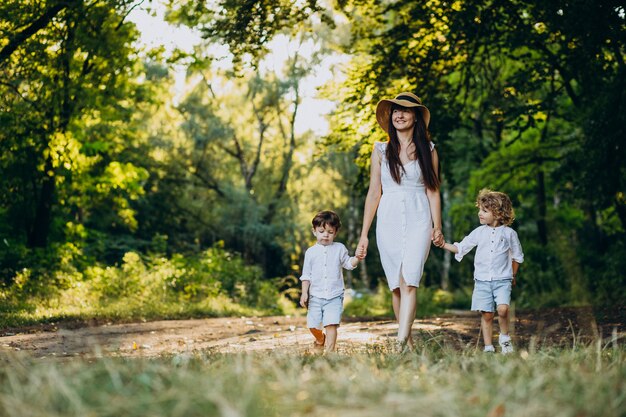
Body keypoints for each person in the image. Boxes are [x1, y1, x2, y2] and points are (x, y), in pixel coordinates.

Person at [356, 92, 444, 350]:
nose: (399, 114)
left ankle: (398, 344)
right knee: (396, 285)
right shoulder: (380, 150)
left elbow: (433, 191)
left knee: (410, 278)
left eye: (406, 110)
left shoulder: (429, 150)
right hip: (389, 217)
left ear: (416, 116)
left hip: (419, 216)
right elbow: (374, 193)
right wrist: (364, 234)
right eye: (396, 110)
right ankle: (409, 345)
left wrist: (437, 227)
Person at [437, 189, 524, 354]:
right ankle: (489, 347)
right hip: (482, 281)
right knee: (487, 315)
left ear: (498, 214)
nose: (479, 213)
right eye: (480, 209)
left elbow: (517, 257)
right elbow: (461, 247)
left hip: (502, 280)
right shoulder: (478, 232)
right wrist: (443, 245)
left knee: (503, 309)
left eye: (484, 210)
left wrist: (513, 275)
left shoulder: (509, 234)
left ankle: (505, 339)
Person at [300, 210, 362, 352]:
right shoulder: (310, 252)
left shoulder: (339, 248)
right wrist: (304, 293)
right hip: (315, 295)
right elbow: (306, 275)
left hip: (334, 295)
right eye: (321, 231)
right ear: (314, 231)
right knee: (313, 325)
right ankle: (320, 339)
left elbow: (348, 264)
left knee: (331, 324)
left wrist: (357, 258)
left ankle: (330, 354)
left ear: (335, 232)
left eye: (330, 231)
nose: (325, 235)